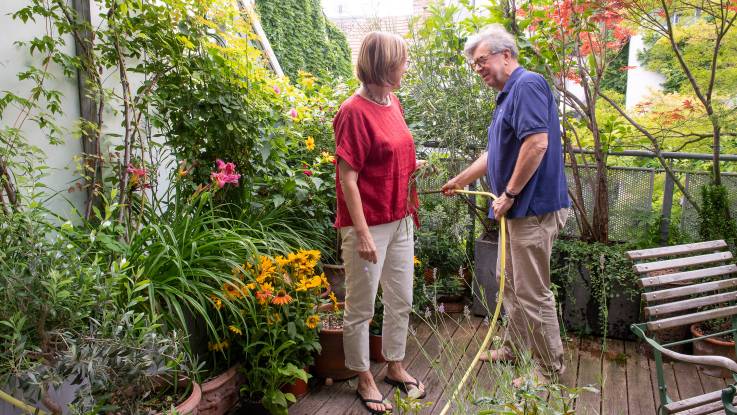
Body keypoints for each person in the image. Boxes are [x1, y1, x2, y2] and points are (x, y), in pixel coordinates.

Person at [441, 24, 571, 386]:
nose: (478, 68)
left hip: (532, 208)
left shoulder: (527, 85)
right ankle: (516, 346)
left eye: (482, 60)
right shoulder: (507, 97)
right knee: (508, 281)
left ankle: (547, 369)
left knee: (532, 291)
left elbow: (537, 145)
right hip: (517, 210)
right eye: (474, 64)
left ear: (505, 55)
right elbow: (493, 154)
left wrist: (510, 193)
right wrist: (460, 180)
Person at [333, 31, 426, 414]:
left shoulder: (392, 101)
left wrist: (411, 166)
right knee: (361, 307)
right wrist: (364, 235)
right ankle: (363, 377)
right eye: (402, 61)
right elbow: (347, 178)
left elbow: (391, 152)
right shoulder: (352, 111)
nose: (406, 67)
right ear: (385, 65)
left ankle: (394, 366)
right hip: (367, 224)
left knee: (401, 299)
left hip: (400, 217)